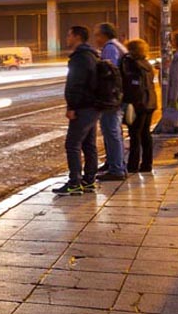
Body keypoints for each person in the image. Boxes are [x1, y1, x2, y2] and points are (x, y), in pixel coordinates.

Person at [55, 25, 100, 196]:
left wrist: (72, 106)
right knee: (89, 145)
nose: (67, 38)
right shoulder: (93, 55)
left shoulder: (80, 57)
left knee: (72, 144)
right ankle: (89, 181)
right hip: (93, 106)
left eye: (69, 35)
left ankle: (74, 182)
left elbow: (76, 84)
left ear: (77, 37)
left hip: (83, 107)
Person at [93, 22, 128, 180]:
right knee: (113, 132)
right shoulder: (118, 46)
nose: (95, 38)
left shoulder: (110, 48)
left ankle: (116, 169)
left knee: (111, 132)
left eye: (97, 35)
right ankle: (113, 163)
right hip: (118, 96)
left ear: (104, 35)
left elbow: (108, 74)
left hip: (112, 98)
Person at [120, 39, 157, 173]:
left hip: (138, 103)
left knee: (135, 135)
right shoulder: (147, 64)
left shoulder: (132, 65)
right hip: (150, 102)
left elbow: (133, 86)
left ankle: (133, 165)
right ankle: (147, 164)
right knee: (145, 134)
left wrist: (128, 102)